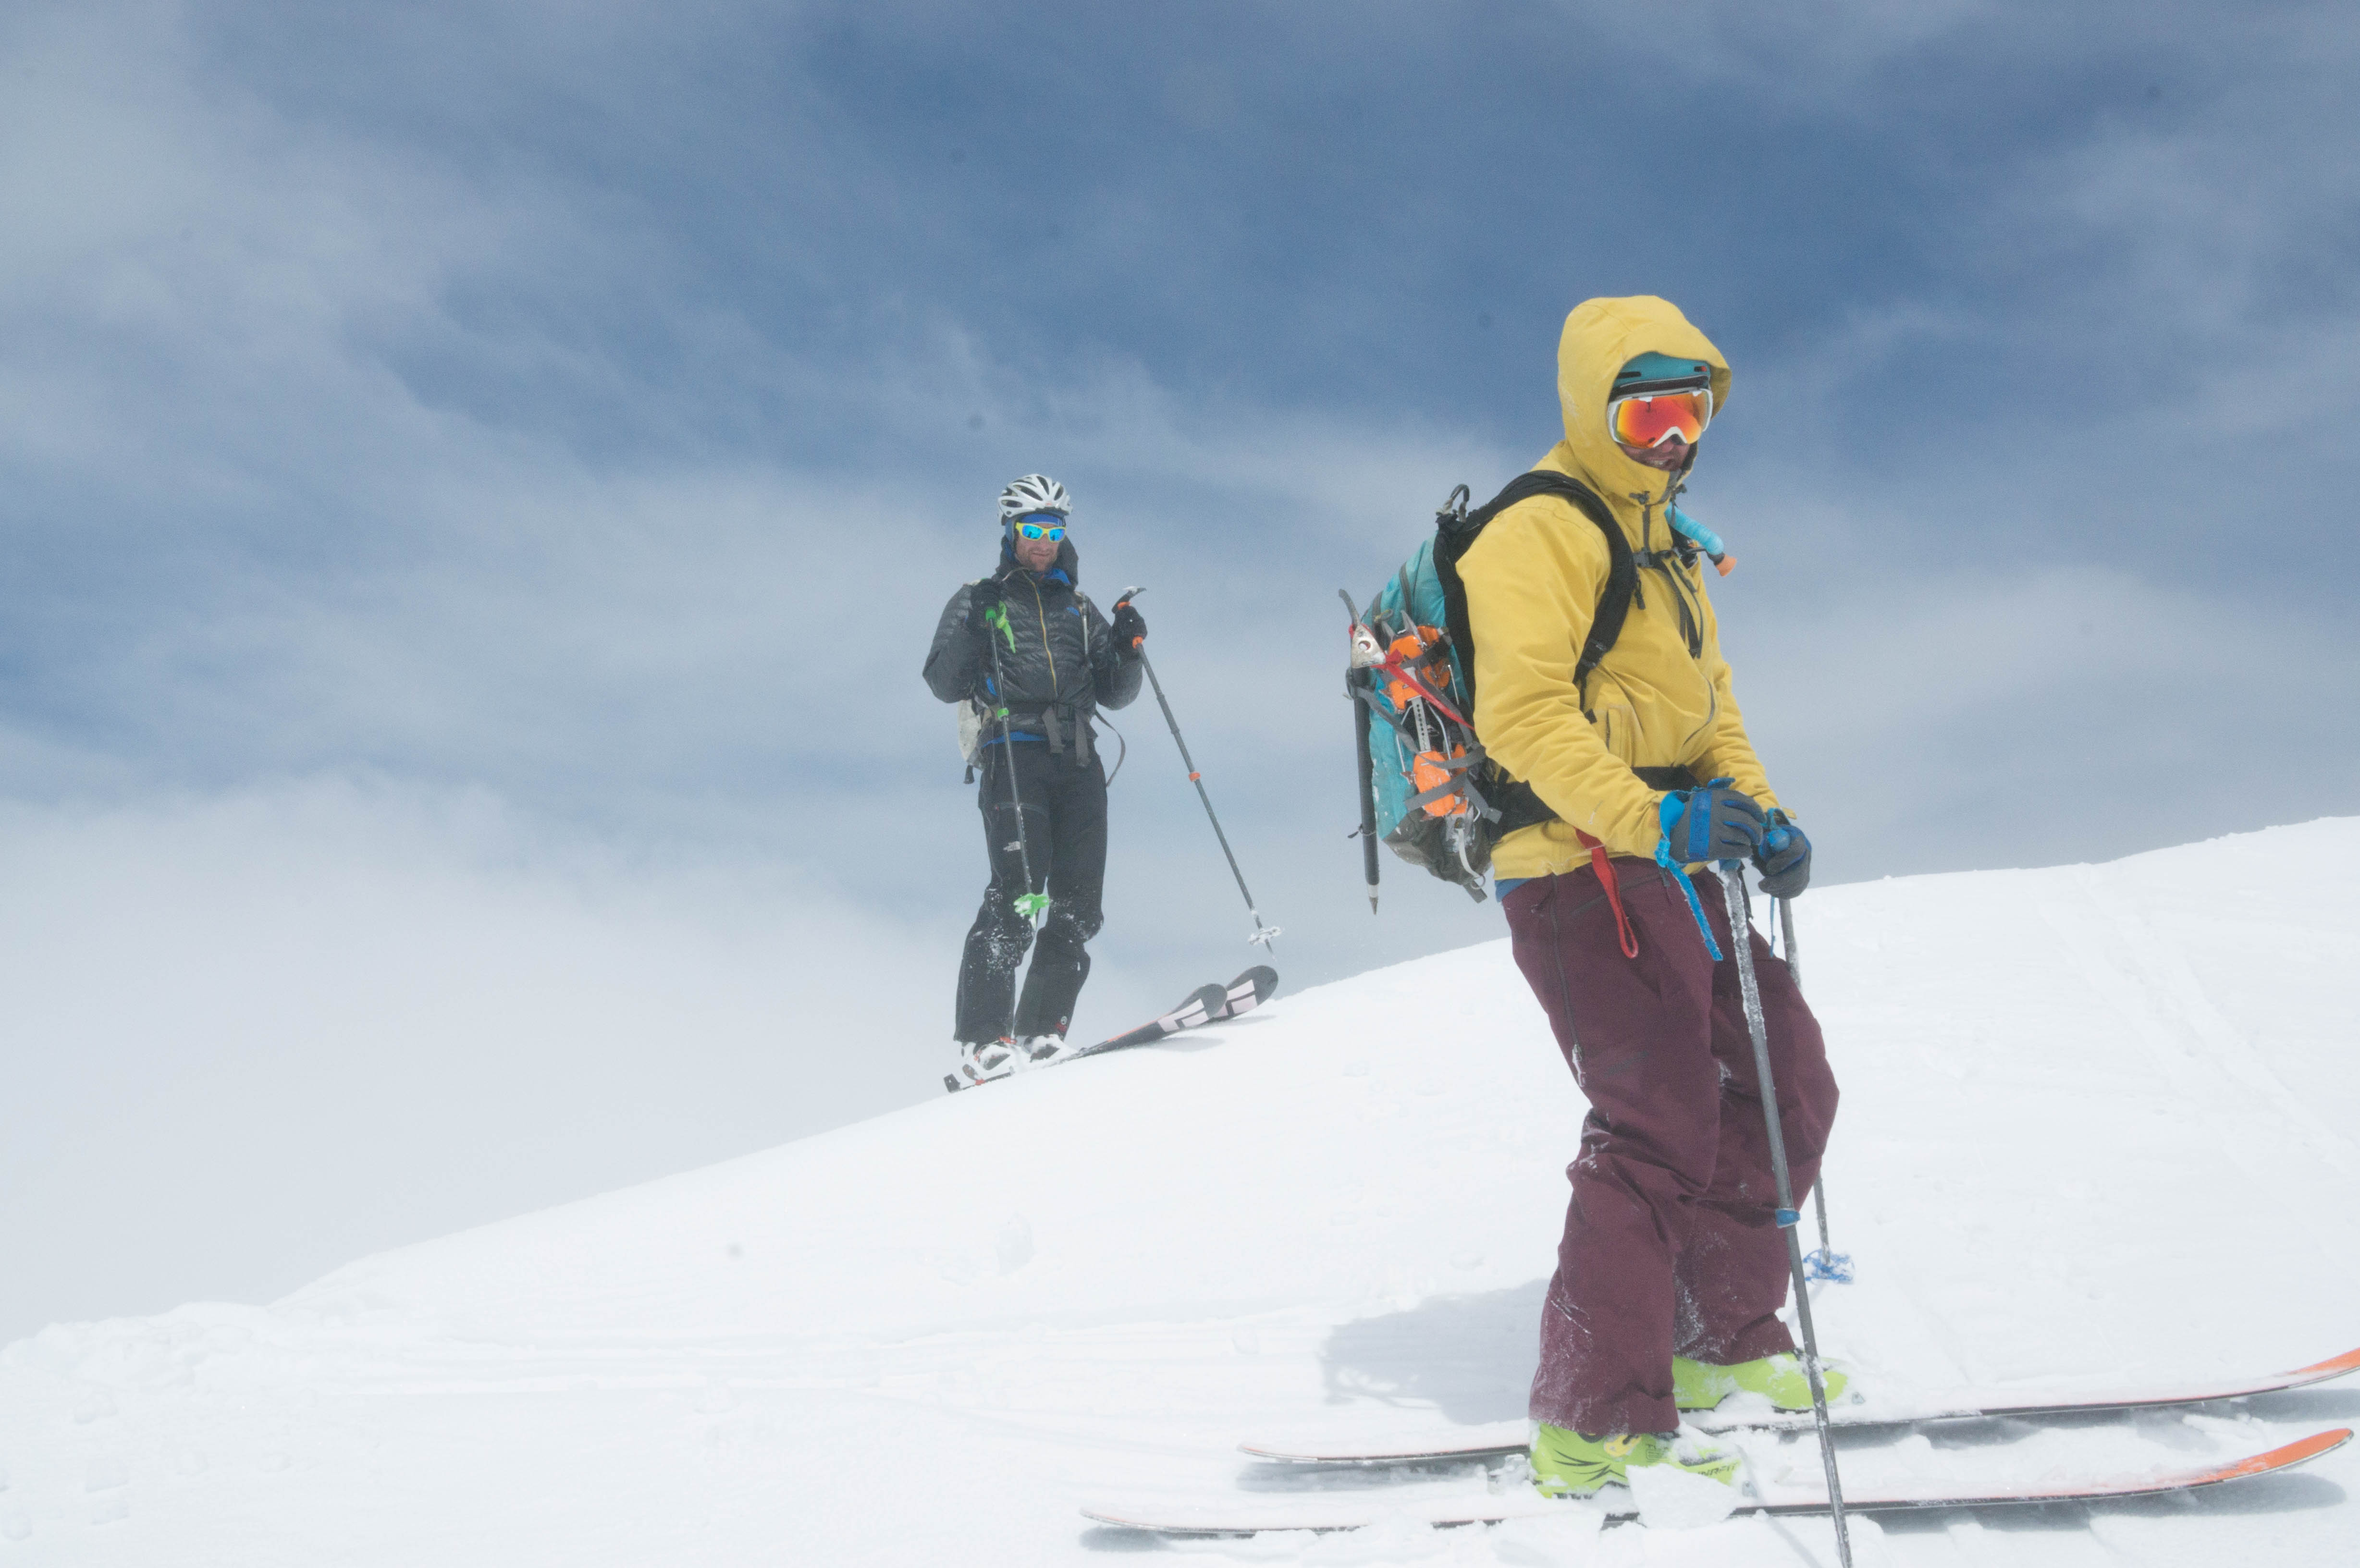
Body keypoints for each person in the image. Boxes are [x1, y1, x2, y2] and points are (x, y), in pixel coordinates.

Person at [1454, 297, 1837, 1496]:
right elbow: (1519, 718)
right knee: (1657, 1116)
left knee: (1783, 1083)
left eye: (1692, 411)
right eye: (1646, 410)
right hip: (1577, 865)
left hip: (1675, 852)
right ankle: (1593, 1418)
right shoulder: (1534, 533)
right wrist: (1649, 818)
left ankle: (1717, 1336)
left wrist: (1756, 812)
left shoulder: (1667, 539)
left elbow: (1707, 705)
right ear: (1590, 406)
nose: (1671, 437)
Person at [922, 475, 1145, 1085]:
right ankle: (983, 1039)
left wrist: (1127, 650)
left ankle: (1041, 1032)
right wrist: (975, 626)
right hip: (1012, 754)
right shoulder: (979, 597)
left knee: (1079, 903)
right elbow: (942, 683)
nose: (1044, 542)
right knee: (1019, 896)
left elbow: (1116, 695)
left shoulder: (1079, 607)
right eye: (1032, 530)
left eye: (1054, 530)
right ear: (1010, 531)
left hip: (1078, 758)